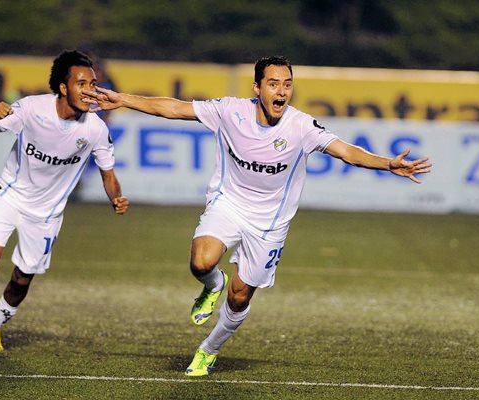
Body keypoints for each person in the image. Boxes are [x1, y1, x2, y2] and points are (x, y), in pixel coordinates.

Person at [82, 56, 432, 376]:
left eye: (287, 84)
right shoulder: (229, 110)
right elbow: (174, 108)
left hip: (270, 224)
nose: (282, 91)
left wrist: (387, 163)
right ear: (257, 87)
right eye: (274, 83)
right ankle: (211, 286)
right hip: (228, 204)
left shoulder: (301, 126)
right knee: (202, 263)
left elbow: (347, 151)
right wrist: (124, 99)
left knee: (239, 297)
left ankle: (208, 350)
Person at [0, 50, 129, 352]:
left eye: (93, 83)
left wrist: (116, 197)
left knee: (22, 278)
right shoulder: (30, 109)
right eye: (82, 83)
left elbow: (108, 173)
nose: (89, 90)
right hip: (10, 195)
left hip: (46, 214)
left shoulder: (95, 128)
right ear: (64, 87)